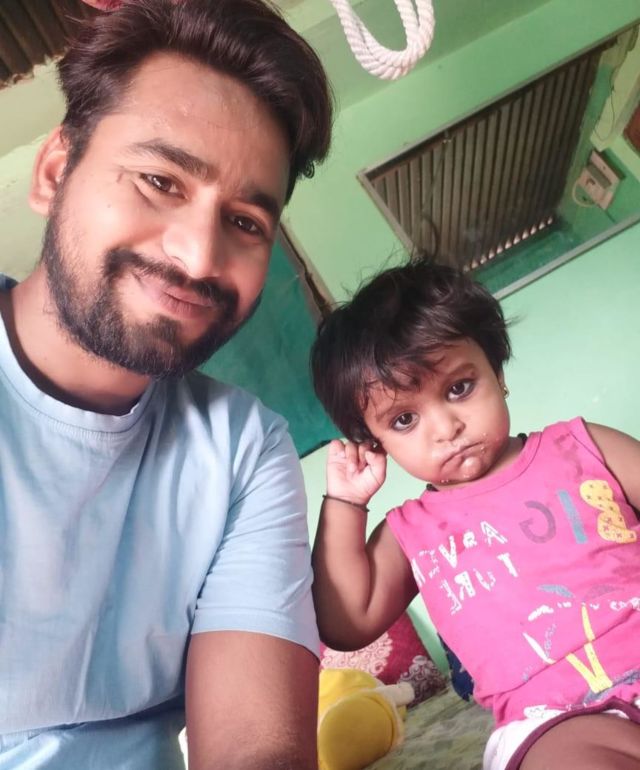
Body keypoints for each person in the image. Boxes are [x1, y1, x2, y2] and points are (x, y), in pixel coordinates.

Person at [0, 0, 332, 768]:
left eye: (245, 222)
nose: (198, 256)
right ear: (55, 171)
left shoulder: (244, 452)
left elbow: (255, 746)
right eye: (160, 180)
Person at [310, 258, 640, 770]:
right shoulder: (409, 532)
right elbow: (346, 621)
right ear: (375, 441)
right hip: (551, 718)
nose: (446, 428)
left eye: (459, 388)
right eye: (404, 419)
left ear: (497, 372)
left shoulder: (582, 446)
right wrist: (346, 503)